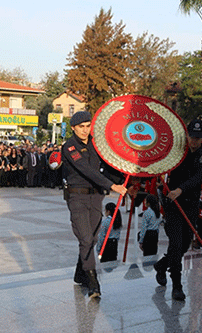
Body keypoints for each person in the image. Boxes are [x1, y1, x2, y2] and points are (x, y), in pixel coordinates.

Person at [62, 111, 127, 299]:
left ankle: (79, 272)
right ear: (73, 128)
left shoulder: (97, 146)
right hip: (78, 198)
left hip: (96, 197)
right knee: (86, 240)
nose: (85, 130)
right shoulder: (70, 147)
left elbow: (108, 167)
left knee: (91, 238)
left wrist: (124, 176)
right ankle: (93, 282)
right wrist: (111, 185)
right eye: (81, 127)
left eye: (87, 126)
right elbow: (87, 170)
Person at [153, 119, 202, 301]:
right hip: (173, 206)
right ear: (186, 136)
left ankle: (162, 265)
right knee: (176, 243)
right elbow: (160, 163)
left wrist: (180, 190)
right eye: (191, 137)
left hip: (190, 205)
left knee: (185, 244)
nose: (194, 141)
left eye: (197, 138)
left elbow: (197, 179)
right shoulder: (176, 155)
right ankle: (177, 286)